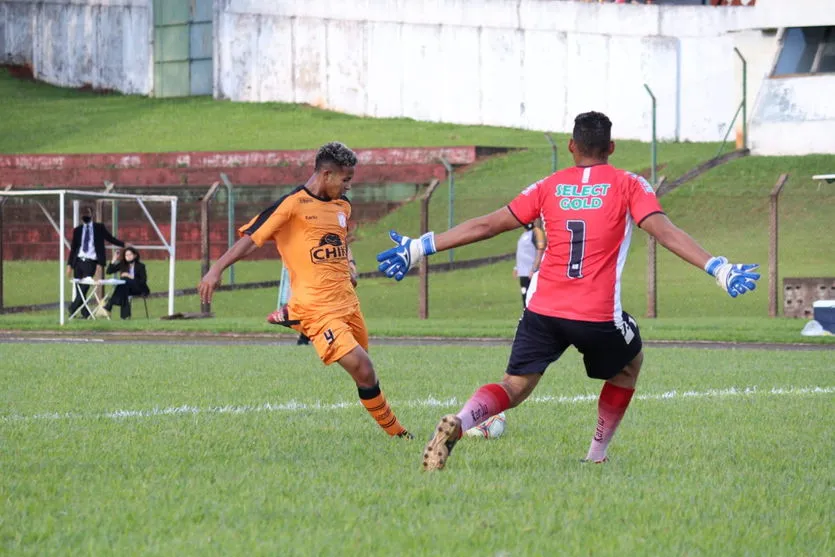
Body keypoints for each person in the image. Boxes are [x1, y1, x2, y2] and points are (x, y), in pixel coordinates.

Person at [376, 111, 760, 471]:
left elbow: (488, 225)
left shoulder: (548, 186)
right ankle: (596, 455)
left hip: (541, 309)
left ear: (572, 146)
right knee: (629, 365)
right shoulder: (629, 184)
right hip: (595, 314)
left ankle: (460, 420)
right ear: (610, 148)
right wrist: (718, 267)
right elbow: (665, 231)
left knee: (514, 385)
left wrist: (420, 247)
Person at [199, 141, 413, 439]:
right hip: (319, 307)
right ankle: (398, 434)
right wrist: (216, 268)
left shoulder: (342, 206)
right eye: (346, 179)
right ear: (326, 174)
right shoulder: (292, 205)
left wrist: (350, 264)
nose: (349, 186)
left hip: (347, 303)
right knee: (363, 368)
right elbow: (251, 238)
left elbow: (341, 240)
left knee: (365, 369)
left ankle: (294, 314)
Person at [67, 205, 125, 318]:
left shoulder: (99, 228)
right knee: (80, 290)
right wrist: (69, 265)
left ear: (92, 215)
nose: (85, 216)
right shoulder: (77, 230)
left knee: (85, 287)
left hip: (91, 262)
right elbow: (73, 248)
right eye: (83, 214)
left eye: (87, 214)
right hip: (78, 262)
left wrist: (123, 244)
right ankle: (84, 313)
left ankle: (72, 308)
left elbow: (110, 238)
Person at [101, 247, 150, 319]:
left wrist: (130, 276)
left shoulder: (141, 266)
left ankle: (110, 304)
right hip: (127, 288)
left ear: (135, 255)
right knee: (124, 286)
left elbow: (143, 281)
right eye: (126, 255)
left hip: (139, 288)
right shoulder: (123, 264)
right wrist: (113, 260)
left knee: (125, 281)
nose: (128, 257)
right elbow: (109, 272)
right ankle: (125, 317)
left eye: (130, 254)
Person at [513, 219, 546, 309]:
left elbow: (540, 251)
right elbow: (521, 252)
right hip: (523, 271)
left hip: (531, 271)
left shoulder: (536, 233)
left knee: (532, 294)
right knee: (524, 292)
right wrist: (516, 267)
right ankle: (525, 311)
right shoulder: (524, 234)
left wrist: (534, 269)